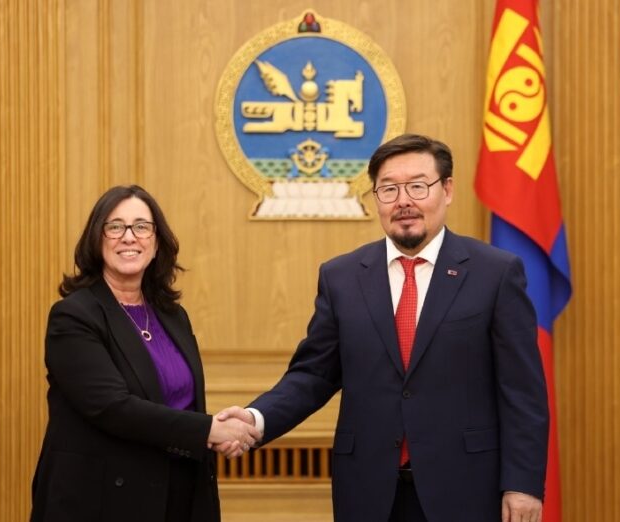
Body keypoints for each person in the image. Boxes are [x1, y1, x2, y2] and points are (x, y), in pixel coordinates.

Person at [217, 134, 549, 521]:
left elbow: (521, 391)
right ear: (376, 197)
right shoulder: (341, 277)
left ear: (447, 190)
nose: (403, 201)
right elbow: (312, 376)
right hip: (368, 489)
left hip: (466, 487)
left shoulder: (495, 273)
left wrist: (523, 483)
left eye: (417, 186)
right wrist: (255, 419)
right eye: (389, 189)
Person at [31, 185, 259, 522]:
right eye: (115, 227)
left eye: (141, 226)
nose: (129, 237)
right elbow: (111, 407)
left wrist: (217, 429)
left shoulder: (172, 316)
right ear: (97, 239)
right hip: (101, 502)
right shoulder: (74, 316)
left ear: (156, 242)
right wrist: (208, 430)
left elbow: (182, 401)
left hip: (178, 493)